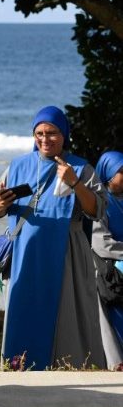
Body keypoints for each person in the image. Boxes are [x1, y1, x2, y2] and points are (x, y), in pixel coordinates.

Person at [0, 105, 106, 370]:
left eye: (51, 133)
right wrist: (0, 203)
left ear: (64, 135)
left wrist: (75, 183)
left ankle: (70, 370)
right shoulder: (17, 166)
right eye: (39, 133)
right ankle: (21, 371)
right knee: (23, 314)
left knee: (67, 320)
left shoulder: (80, 168)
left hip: (66, 255)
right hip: (25, 255)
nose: (44, 139)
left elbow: (96, 210)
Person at [92, 150, 123, 369]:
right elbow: (101, 242)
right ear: (109, 174)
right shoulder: (99, 201)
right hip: (109, 271)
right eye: (122, 171)